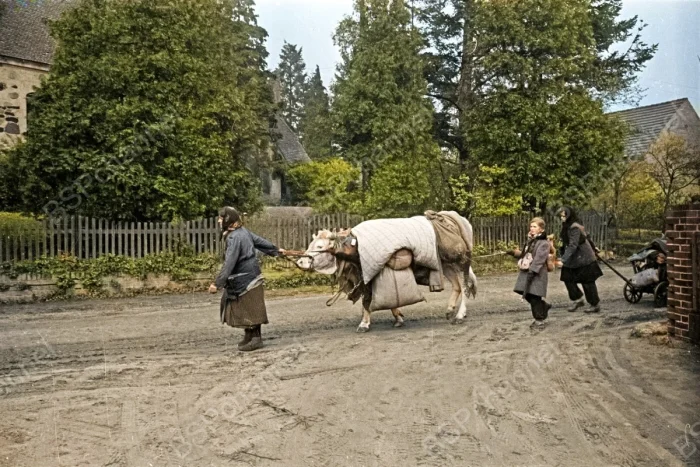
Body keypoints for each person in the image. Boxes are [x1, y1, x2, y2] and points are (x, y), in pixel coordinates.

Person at [208, 207, 285, 351]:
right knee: (246, 309)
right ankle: (249, 336)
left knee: (250, 309)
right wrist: (275, 249)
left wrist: (217, 284)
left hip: (245, 279)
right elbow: (260, 242)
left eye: (221, 218)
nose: (219, 221)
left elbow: (229, 263)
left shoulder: (234, 237)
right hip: (251, 276)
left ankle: (256, 339)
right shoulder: (242, 231)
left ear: (228, 220)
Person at [555, 206, 603, 313]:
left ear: (569, 215)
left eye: (564, 216)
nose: (562, 218)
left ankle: (595, 304)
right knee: (567, 278)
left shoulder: (574, 227)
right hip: (573, 258)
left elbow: (573, 244)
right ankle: (578, 299)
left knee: (587, 282)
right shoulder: (566, 226)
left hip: (583, 256)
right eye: (561, 216)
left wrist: (563, 259)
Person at [508, 217, 552, 328]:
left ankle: (539, 320)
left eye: (535, 227)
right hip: (526, 271)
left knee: (535, 296)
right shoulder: (530, 241)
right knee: (524, 292)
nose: (532, 228)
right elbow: (525, 255)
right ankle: (544, 306)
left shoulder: (544, 243)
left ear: (541, 229)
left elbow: (539, 259)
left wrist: (533, 271)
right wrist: (513, 253)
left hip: (537, 273)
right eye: (531, 226)